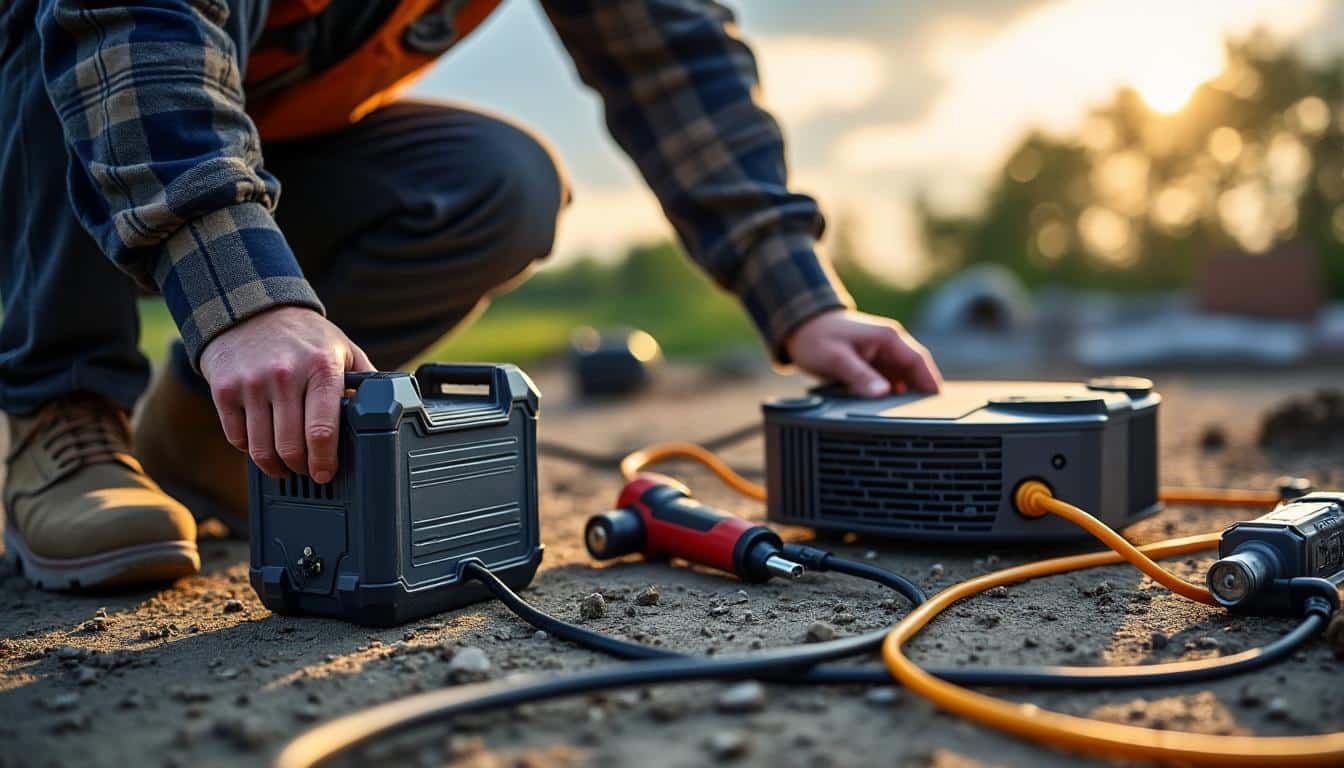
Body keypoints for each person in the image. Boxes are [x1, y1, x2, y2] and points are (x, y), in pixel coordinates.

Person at [0, 0, 942, 590]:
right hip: (86, 94)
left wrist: (803, 297)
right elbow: (131, 34)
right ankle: (62, 412)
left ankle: (221, 434)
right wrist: (243, 295)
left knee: (498, 183)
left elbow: (673, 57)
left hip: (242, 140)